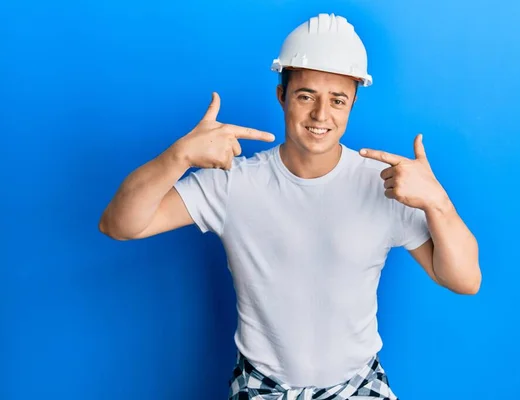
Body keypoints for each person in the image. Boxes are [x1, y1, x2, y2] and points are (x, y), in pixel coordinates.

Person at [99, 13, 481, 400]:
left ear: (352, 103)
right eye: (306, 96)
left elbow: (464, 280)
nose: (321, 115)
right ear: (281, 95)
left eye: (337, 100)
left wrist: (439, 203)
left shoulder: (384, 184)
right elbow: (119, 224)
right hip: (263, 386)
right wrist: (178, 157)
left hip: (358, 386)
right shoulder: (234, 183)